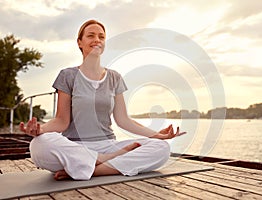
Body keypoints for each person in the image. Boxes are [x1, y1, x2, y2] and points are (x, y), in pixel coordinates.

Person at [19, 19, 185, 181]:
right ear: (79, 42)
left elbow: (123, 120)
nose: (97, 40)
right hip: (75, 147)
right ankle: (103, 160)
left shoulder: (115, 78)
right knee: (38, 144)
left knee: (161, 148)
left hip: (108, 144)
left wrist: (156, 135)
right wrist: (40, 131)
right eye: (91, 35)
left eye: (101, 36)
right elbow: (61, 121)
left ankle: (94, 170)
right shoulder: (67, 75)